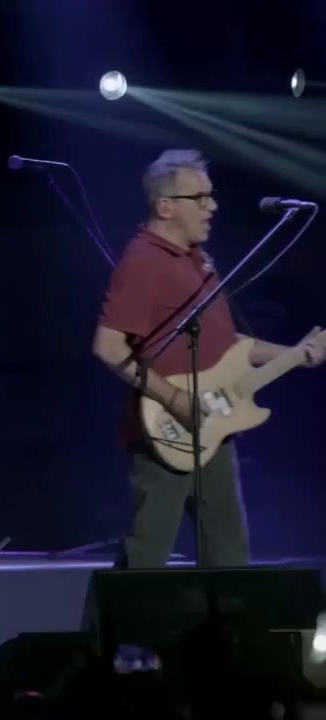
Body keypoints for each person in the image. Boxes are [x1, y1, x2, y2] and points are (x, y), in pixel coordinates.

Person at [92, 149, 326, 568]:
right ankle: (115, 617)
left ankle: (225, 616)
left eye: (211, 196)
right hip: (165, 430)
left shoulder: (199, 262)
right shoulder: (143, 261)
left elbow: (229, 344)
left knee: (229, 557)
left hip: (214, 427)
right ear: (166, 207)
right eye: (200, 197)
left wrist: (296, 354)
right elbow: (109, 347)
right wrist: (174, 399)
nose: (212, 206)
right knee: (146, 558)